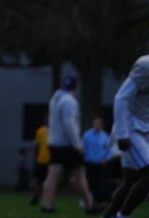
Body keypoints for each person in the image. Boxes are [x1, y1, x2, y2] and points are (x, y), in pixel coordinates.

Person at [102, 19, 149, 218]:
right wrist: (122, 133)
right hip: (131, 127)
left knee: (131, 180)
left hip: (145, 128)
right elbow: (121, 97)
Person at [41, 75, 97, 214]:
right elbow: (69, 124)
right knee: (80, 174)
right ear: (76, 87)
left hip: (54, 142)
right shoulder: (69, 101)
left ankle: (46, 205)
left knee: (52, 175)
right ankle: (89, 205)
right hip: (67, 144)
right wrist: (77, 144)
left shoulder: (56, 98)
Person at [83, 117, 113, 204]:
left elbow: (108, 150)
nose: (97, 126)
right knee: (90, 182)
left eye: (99, 124)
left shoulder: (105, 136)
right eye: (95, 124)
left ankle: (100, 199)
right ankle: (89, 200)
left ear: (102, 125)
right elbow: (83, 148)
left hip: (101, 163)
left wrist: (106, 159)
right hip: (89, 163)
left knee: (101, 182)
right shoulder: (87, 135)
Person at [30, 123, 50, 205]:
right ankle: (36, 197)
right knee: (39, 181)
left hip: (51, 161)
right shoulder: (40, 131)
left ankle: (46, 199)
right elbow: (37, 146)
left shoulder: (55, 131)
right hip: (41, 160)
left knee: (47, 181)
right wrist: (35, 158)